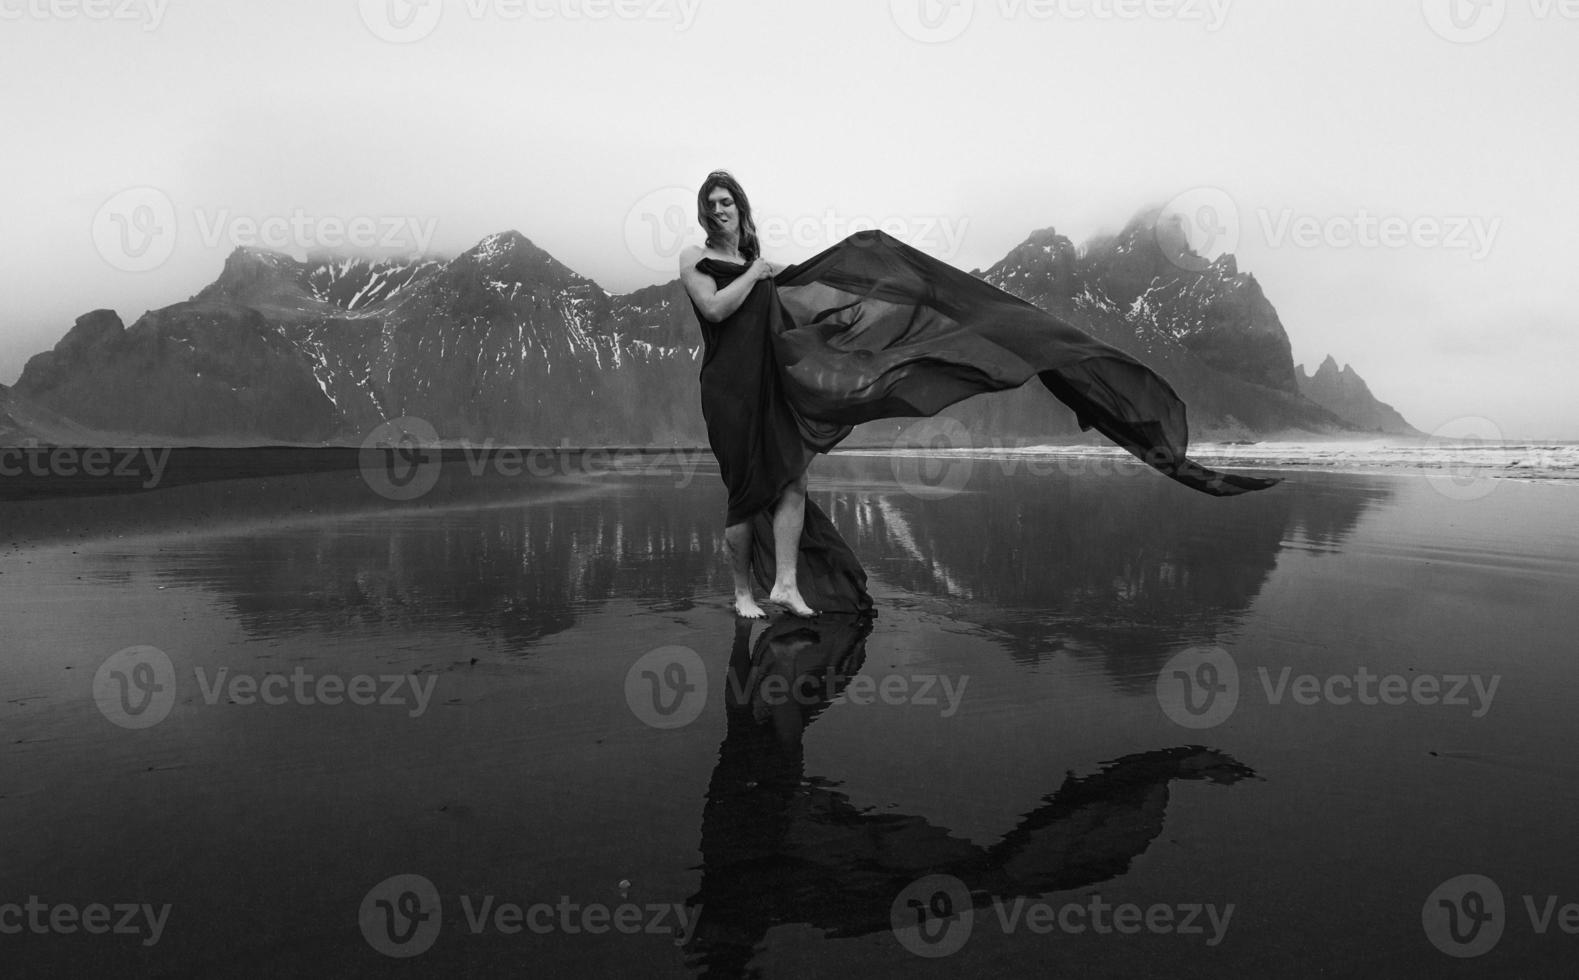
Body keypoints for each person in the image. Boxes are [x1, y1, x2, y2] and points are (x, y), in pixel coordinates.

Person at [680, 169, 1278, 621]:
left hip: (770, 381)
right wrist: (757, 276)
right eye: (712, 205)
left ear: (741, 208)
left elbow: (792, 304)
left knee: (790, 476)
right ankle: (741, 593)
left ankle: (784, 583)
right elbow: (713, 307)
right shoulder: (698, 258)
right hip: (729, 388)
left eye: (727, 202)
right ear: (705, 215)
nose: (720, 211)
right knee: (744, 491)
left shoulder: (756, 261)